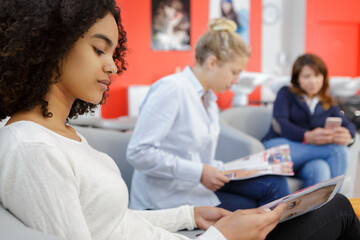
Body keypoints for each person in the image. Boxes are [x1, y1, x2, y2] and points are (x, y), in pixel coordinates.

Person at [1, 1, 360, 240]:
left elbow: (116, 223)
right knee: (338, 211)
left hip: (180, 217)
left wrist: (190, 215)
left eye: (113, 52)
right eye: (99, 49)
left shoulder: (63, 136)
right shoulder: (33, 148)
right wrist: (222, 235)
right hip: (176, 207)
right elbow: (139, 164)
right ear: (50, 45)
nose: (112, 66)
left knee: (295, 199)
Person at [127, 18, 290, 212]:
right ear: (212, 62)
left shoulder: (209, 98)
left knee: (274, 181)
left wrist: (238, 170)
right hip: (165, 198)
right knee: (253, 208)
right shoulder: (173, 89)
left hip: (194, 186)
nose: (236, 81)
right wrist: (200, 172)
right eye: (234, 72)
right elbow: (138, 152)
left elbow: (198, 158)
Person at [262, 54, 357, 187]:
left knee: (320, 169)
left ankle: (323, 208)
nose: (313, 81)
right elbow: (280, 124)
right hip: (278, 150)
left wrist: (347, 134)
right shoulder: (286, 93)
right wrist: (307, 136)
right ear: (297, 79)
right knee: (338, 150)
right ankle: (337, 206)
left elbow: (348, 125)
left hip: (307, 158)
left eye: (317, 75)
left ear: (324, 77)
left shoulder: (328, 102)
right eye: (307, 76)